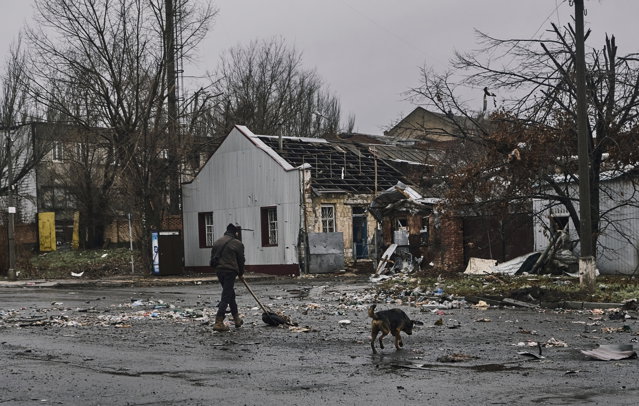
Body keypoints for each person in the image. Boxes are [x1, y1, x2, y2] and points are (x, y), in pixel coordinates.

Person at [210, 223, 245, 332]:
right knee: (226, 295)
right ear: (235, 233)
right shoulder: (238, 244)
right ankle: (219, 322)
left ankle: (236, 319)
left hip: (219, 271)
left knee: (230, 293)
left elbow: (212, 258)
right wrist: (241, 273)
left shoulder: (217, 242)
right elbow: (241, 260)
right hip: (230, 271)